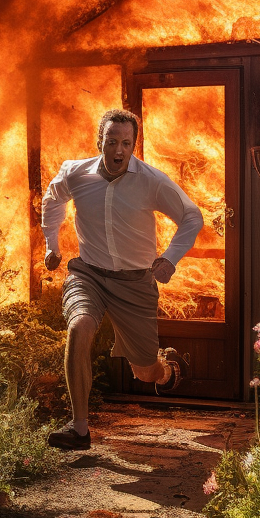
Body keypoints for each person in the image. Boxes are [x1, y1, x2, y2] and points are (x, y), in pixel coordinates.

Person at [41, 108, 204, 450]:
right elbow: (53, 200)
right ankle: (79, 428)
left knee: (145, 373)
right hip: (89, 274)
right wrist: (52, 245)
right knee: (79, 326)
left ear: (134, 145)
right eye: (111, 141)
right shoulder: (76, 173)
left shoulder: (152, 181)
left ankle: (169, 369)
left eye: (126, 143)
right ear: (99, 140)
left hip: (134, 284)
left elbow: (191, 216)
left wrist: (169, 258)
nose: (118, 150)